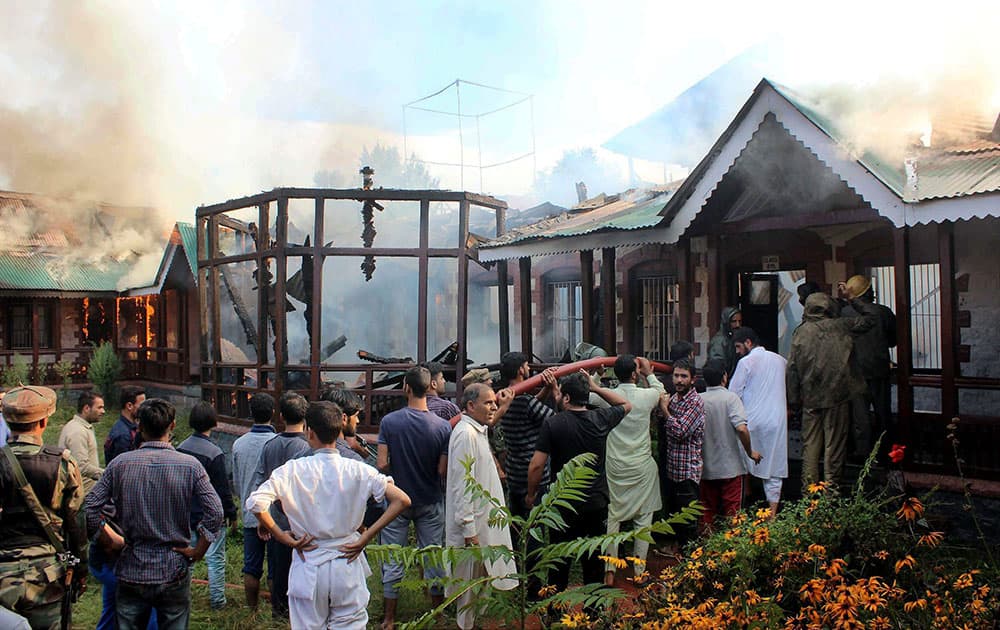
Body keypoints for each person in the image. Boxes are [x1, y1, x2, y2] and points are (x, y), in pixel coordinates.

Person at [248, 401, 411, 629]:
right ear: (340, 429)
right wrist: (366, 536)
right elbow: (402, 500)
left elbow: (256, 503)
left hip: (308, 561)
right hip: (346, 560)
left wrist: (281, 535)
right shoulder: (358, 469)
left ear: (309, 432)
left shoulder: (292, 470)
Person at [85, 398, 223, 630]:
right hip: (174, 566)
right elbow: (215, 512)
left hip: (131, 565)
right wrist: (199, 550)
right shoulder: (190, 465)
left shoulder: (120, 464)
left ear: (139, 427)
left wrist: (108, 540)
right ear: (173, 426)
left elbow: (90, 507)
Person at [526, 371, 631, 592]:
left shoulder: (553, 424)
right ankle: (594, 614)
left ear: (565, 398)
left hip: (563, 504)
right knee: (594, 560)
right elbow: (625, 404)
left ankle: (556, 612)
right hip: (596, 503)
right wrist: (595, 387)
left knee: (559, 562)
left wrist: (531, 493)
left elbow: (536, 465)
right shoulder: (601, 418)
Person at [0, 385, 88, 629]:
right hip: (47, 574)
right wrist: (81, 568)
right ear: (44, 421)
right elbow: (76, 523)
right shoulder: (62, 462)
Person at [377, 366, 452, 630]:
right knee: (433, 557)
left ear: (406, 388)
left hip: (397, 501)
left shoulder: (389, 422)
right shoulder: (443, 427)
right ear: (429, 386)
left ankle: (388, 619)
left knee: (393, 557)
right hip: (430, 499)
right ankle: (439, 615)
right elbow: (442, 470)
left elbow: (382, 464)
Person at [788, 292, 878, 491]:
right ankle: (831, 490)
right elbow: (872, 318)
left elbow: (792, 368)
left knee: (810, 447)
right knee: (834, 446)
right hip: (837, 396)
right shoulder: (842, 326)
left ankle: (809, 493)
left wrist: (793, 399)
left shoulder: (800, 332)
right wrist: (852, 298)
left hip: (810, 398)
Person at [445, 384, 518, 629]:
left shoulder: (477, 430)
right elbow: (462, 486)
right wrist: (470, 531)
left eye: (494, 402)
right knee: (469, 589)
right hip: (474, 528)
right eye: (488, 403)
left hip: (482, 523)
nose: (494, 407)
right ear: (469, 406)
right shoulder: (466, 435)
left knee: (480, 585)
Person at [250, 392, 311, 619]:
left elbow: (259, 484)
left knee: (278, 570)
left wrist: (263, 519)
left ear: (281, 416)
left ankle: (279, 614)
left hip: (276, 520)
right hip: (302, 522)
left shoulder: (270, 445)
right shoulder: (306, 448)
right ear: (305, 417)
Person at [604, 355, 663, 585]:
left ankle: (609, 569)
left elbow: (590, 395)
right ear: (634, 374)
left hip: (616, 465)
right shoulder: (646, 396)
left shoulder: (608, 397)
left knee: (613, 515)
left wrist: (597, 376)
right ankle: (639, 572)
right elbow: (660, 390)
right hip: (641, 465)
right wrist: (649, 372)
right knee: (643, 518)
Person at [176, 402, 236, 610]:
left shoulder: (180, 448)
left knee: (186, 558)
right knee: (215, 559)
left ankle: (183, 598)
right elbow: (222, 489)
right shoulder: (215, 452)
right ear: (214, 422)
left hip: (185, 513)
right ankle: (217, 601)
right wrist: (231, 513)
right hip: (210, 516)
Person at [730, 327, 788, 517]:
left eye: (738, 346)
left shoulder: (746, 362)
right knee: (774, 468)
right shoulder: (781, 361)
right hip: (777, 421)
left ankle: (744, 505)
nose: (737, 351)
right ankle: (772, 515)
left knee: (743, 462)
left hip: (751, 421)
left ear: (748, 343)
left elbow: (733, 394)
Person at [839, 275, 897, 458]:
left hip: (855, 372)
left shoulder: (844, 314)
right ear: (869, 292)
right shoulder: (883, 312)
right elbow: (893, 340)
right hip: (879, 371)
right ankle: (886, 451)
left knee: (859, 416)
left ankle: (862, 453)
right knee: (883, 413)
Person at [699, 360, 761, 530]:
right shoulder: (731, 398)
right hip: (731, 468)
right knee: (733, 516)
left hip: (706, 469)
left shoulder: (699, 400)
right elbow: (741, 429)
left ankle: (705, 551)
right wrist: (750, 452)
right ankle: (731, 551)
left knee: (707, 513)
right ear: (724, 377)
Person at [230, 392, 277, 611]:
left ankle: (252, 611)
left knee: (251, 567)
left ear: (251, 414)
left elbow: (237, 483)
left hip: (250, 514)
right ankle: (279, 610)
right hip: (276, 515)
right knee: (275, 567)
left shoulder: (239, 444)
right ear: (274, 414)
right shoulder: (277, 443)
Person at [657, 359, 705, 547]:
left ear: (693, 379)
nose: (679, 380)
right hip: (673, 470)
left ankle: (691, 565)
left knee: (688, 525)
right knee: (676, 521)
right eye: (676, 375)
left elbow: (680, 431)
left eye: (684, 376)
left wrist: (664, 410)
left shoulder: (695, 402)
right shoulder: (674, 399)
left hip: (687, 473)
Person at [58, 390, 106, 494]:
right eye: (99, 407)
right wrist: (107, 474)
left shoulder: (83, 427)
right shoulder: (77, 431)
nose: (103, 411)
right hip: (82, 496)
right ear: (86, 408)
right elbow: (81, 466)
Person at [103, 386, 146, 464]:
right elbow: (123, 467)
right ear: (129, 406)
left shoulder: (131, 427)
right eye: (142, 405)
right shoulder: (123, 435)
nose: (145, 408)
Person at [707, 307, 743, 378]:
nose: (737, 325)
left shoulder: (734, 338)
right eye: (734, 321)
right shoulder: (719, 341)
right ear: (726, 322)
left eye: (740, 321)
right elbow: (717, 366)